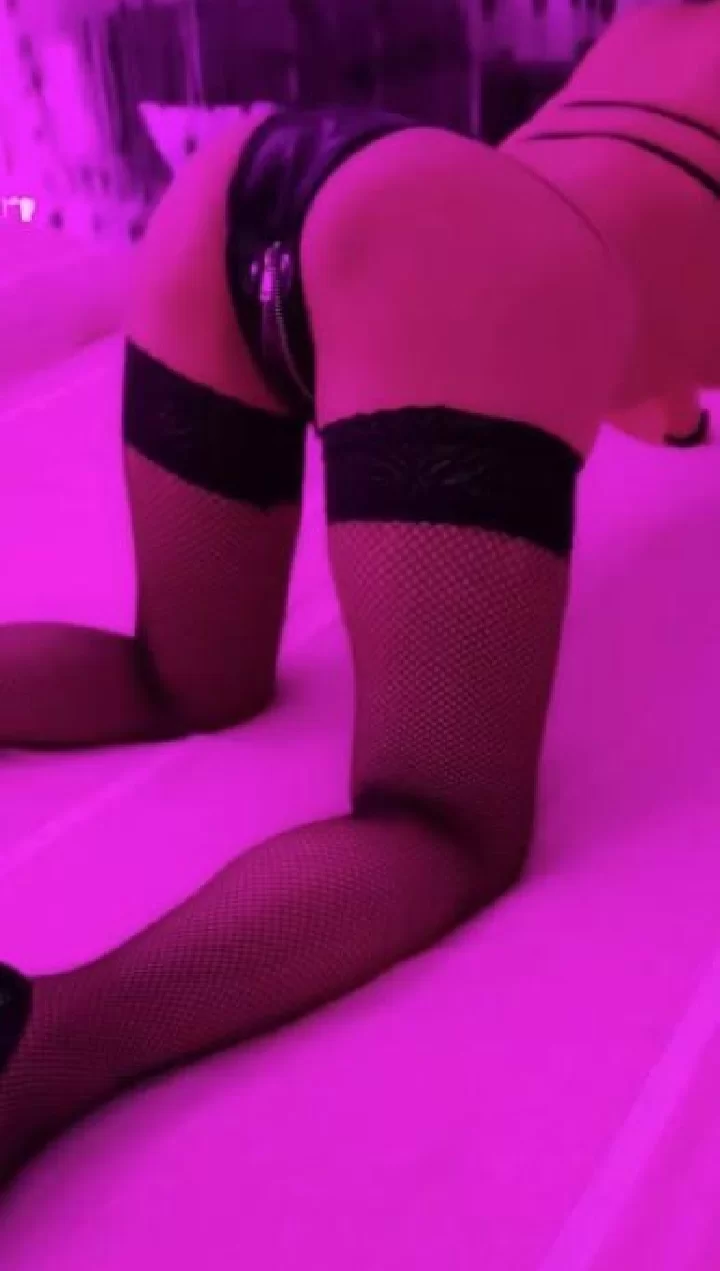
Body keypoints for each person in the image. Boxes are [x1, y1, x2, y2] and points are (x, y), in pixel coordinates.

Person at [1, 1, 720, 1188]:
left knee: (176, 676)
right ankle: (47, 1041)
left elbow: (637, 319)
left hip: (263, 181)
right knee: (438, 827)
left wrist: (679, 419)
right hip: (464, 250)